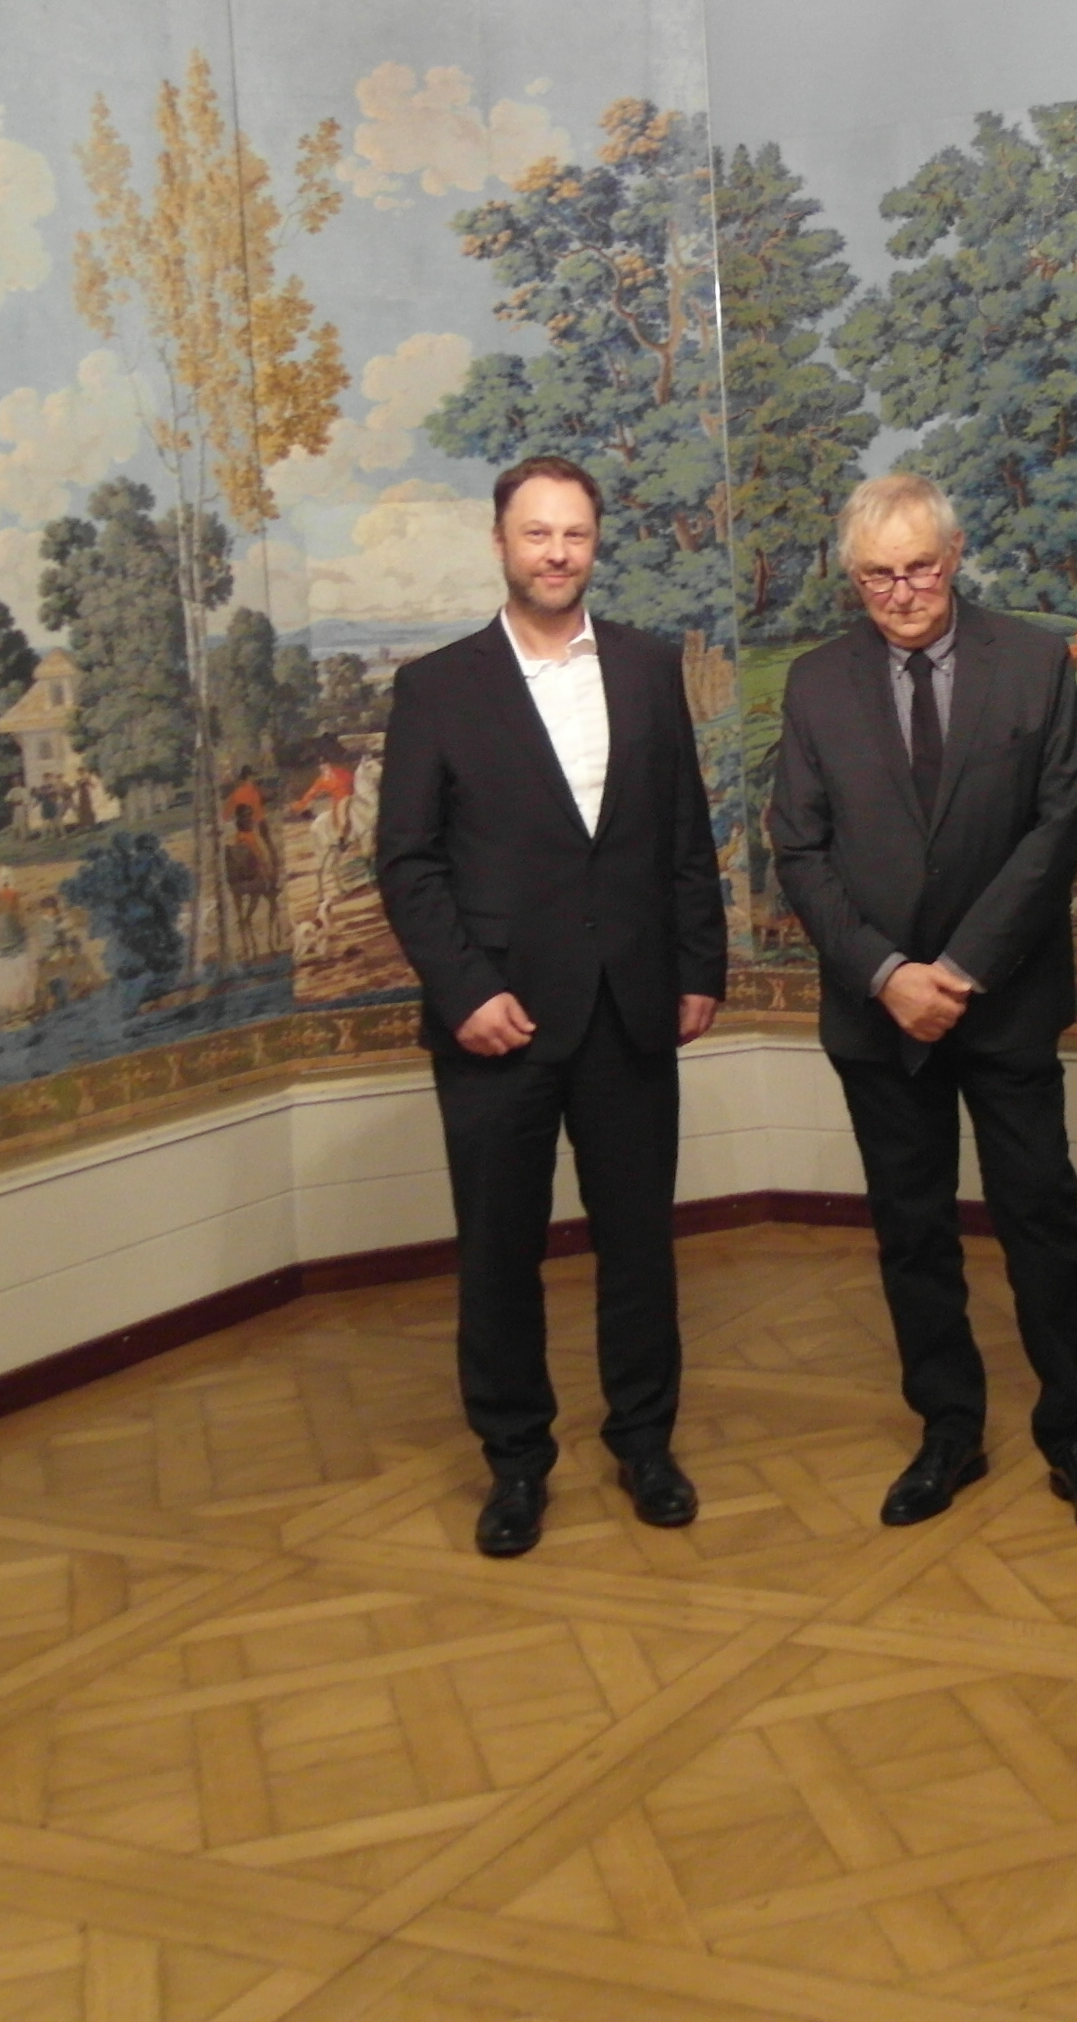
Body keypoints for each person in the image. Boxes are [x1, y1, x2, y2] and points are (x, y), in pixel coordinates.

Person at [766, 472, 1077, 1541]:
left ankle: (1076, 1436)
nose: (901, 592)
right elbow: (799, 847)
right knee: (912, 1229)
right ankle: (948, 1430)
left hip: (1005, 1001)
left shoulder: (1030, 662)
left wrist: (963, 968)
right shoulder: (816, 683)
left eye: (920, 568)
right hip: (876, 1014)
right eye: (877, 576)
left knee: (1041, 1221)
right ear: (854, 578)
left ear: (956, 554)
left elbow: (1058, 827)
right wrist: (888, 974)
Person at [376, 456, 728, 1560]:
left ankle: (646, 1445)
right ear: (500, 542)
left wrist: (700, 967)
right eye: (537, 534)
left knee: (640, 1247)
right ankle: (516, 1464)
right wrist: (465, 992)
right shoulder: (436, 688)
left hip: (632, 1009)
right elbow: (407, 863)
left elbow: (683, 834)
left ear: (595, 542)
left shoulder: (648, 667)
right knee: (498, 1255)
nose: (557, 553)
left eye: (574, 533)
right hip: (497, 1023)